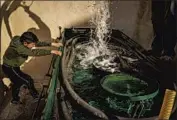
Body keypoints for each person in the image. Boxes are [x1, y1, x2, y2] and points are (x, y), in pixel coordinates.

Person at [2, 31, 63, 104]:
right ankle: (36, 96)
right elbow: (35, 52)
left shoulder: (19, 39)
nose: (34, 45)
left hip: (12, 64)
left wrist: (53, 44)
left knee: (17, 82)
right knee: (28, 80)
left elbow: (36, 43)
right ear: (25, 43)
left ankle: (15, 100)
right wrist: (53, 51)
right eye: (32, 44)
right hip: (10, 67)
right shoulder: (21, 48)